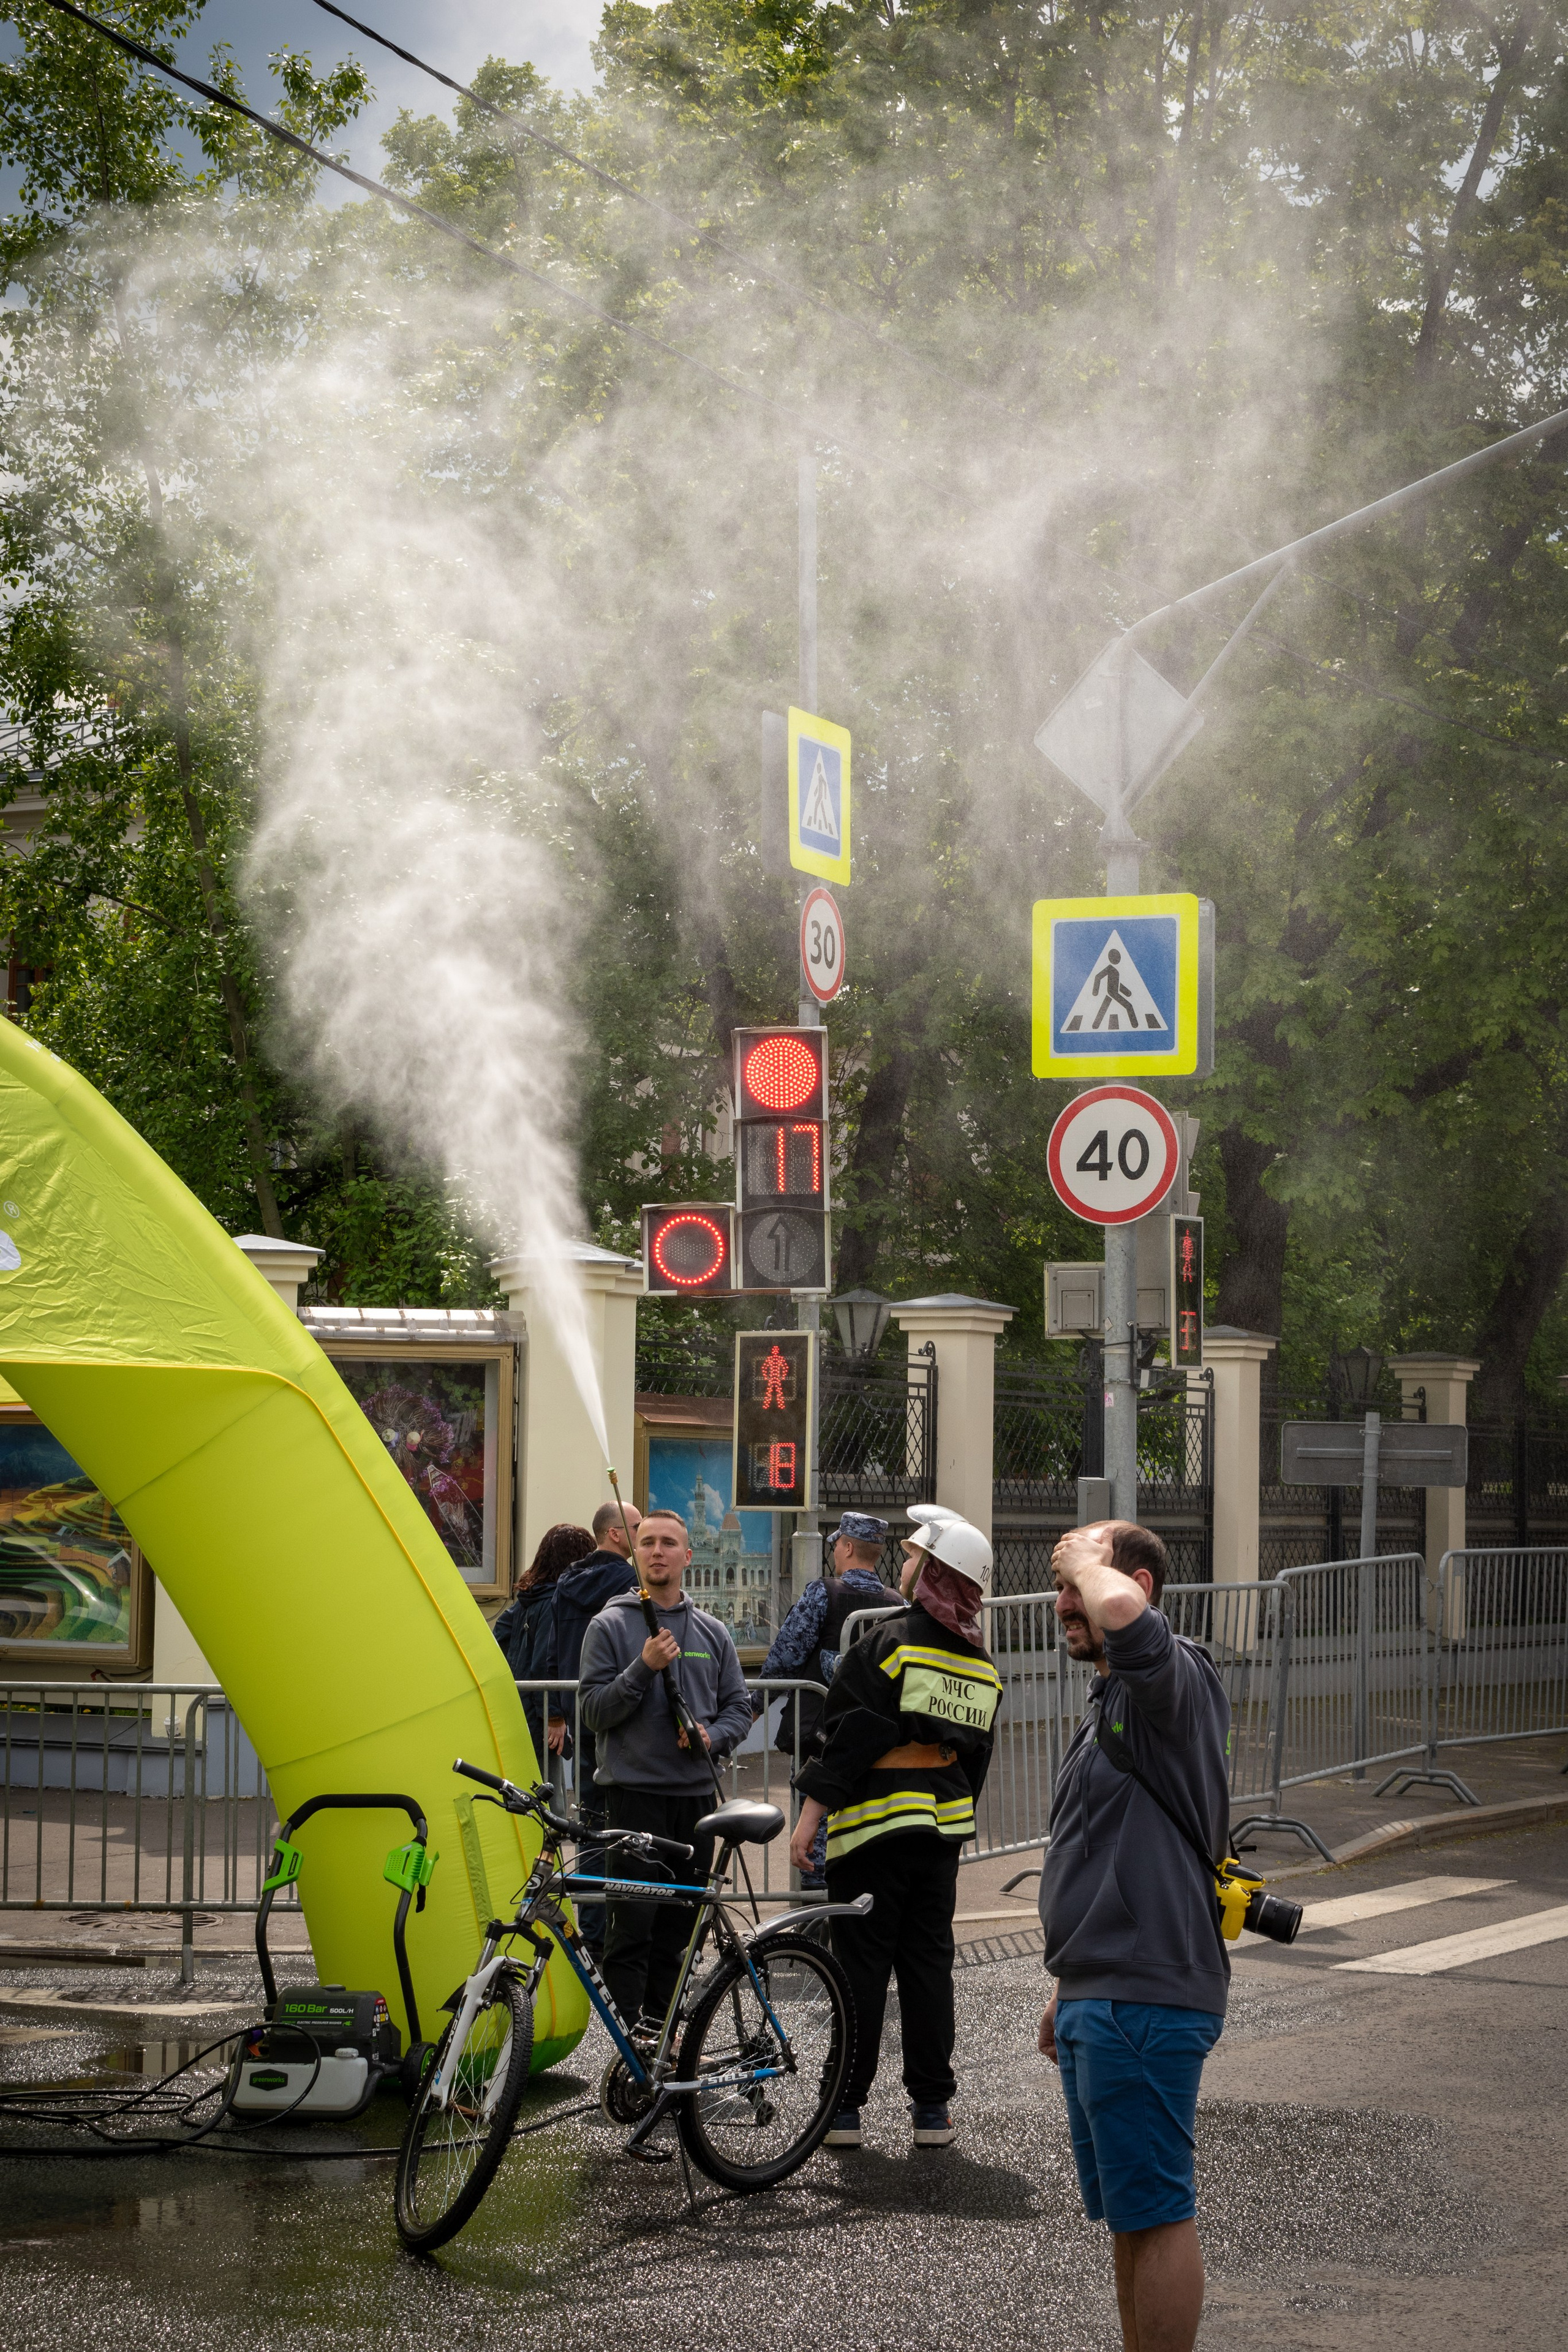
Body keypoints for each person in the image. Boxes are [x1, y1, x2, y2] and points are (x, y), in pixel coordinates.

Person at [1036, 1521, 1232, 2352]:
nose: (1063, 1601)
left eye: (1076, 1581)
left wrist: (1093, 1563)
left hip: (1145, 1990)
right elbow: (1108, 1853)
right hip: (1101, 1988)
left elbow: (1123, 1610)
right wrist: (1066, 1985)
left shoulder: (1173, 1676)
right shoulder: (1112, 1701)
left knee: (1157, 2210)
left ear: (1138, 1591)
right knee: (1130, 2213)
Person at [790, 1515, 1001, 2151]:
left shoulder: (889, 1642)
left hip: (873, 1833)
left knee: (860, 1969)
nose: (901, 1564)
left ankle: (844, 2110)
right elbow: (975, 1765)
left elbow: (845, 1739)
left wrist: (808, 1822)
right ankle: (932, 2110)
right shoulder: (982, 1666)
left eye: (911, 1555)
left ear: (933, 1573)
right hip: (940, 1837)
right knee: (927, 1969)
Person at [578, 1509, 752, 2032]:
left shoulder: (713, 1632)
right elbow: (593, 1712)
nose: (657, 1551)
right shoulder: (609, 1625)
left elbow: (738, 1709)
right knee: (631, 1931)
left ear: (687, 1555)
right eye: (647, 1542)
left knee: (680, 1934)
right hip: (633, 1800)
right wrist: (643, 1667)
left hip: (695, 1804)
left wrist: (710, 1736)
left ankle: (663, 2037)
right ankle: (633, 2050)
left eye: (668, 1543)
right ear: (635, 1554)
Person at [757, 1510, 902, 1887]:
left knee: (814, 1841)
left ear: (849, 1547)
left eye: (837, 1543)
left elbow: (786, 1656)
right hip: (877, 1742)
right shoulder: (897, 1604)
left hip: (820, 1739)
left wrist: (756, 1704)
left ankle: (817, 1924)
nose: (834, 1550)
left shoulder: (824, 1592)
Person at [540, 1498, 641, 1959]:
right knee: (628, 1822)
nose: (645, 1538)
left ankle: (591, 1928)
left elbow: (551, 1647)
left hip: (579, 1715)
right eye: (638, 1528)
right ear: (616, 1534)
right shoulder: (629, 1581)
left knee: (589, 1822)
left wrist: (558, 1712)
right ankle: (627, 1921)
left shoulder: (567, 1581)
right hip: (619, 1713)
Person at [491, 1521, 594, 1762]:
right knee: (547, 1784)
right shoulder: (552, 1602)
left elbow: (499, 1636)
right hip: (541, 1715)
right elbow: (543, 1665)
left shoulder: (528, 1598)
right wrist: (554, 1717)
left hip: (521, 1706)